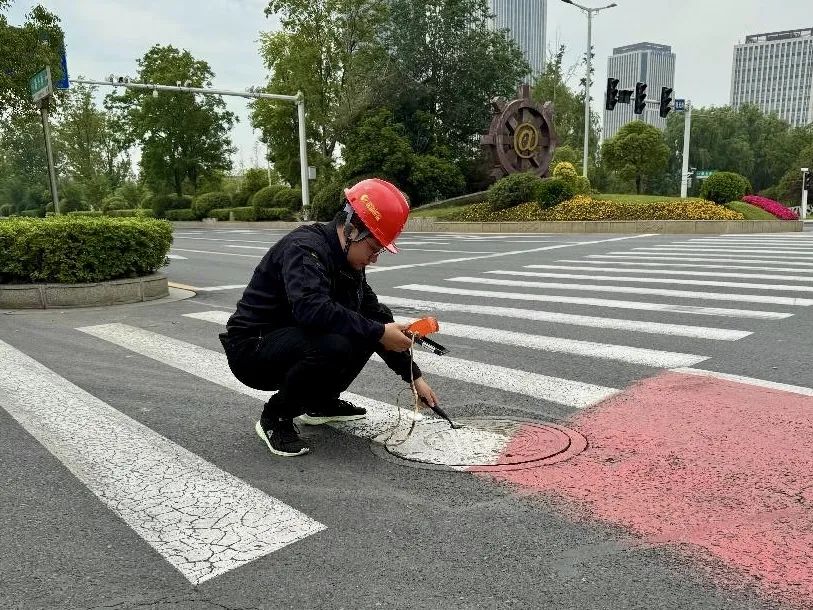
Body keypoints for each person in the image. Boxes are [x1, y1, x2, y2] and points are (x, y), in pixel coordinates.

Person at [219, 178, 440, 457]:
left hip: (291, 339)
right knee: (339, 342)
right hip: (253, 348)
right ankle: (275, 418)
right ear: (352, 230)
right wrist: (378, 332)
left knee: (366, 327)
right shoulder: (305, 249)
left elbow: (375, 316)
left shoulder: (348, 260)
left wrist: (414, 378)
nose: (375, 258)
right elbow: (311, 309)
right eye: (374, 248)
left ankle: (320, 403)